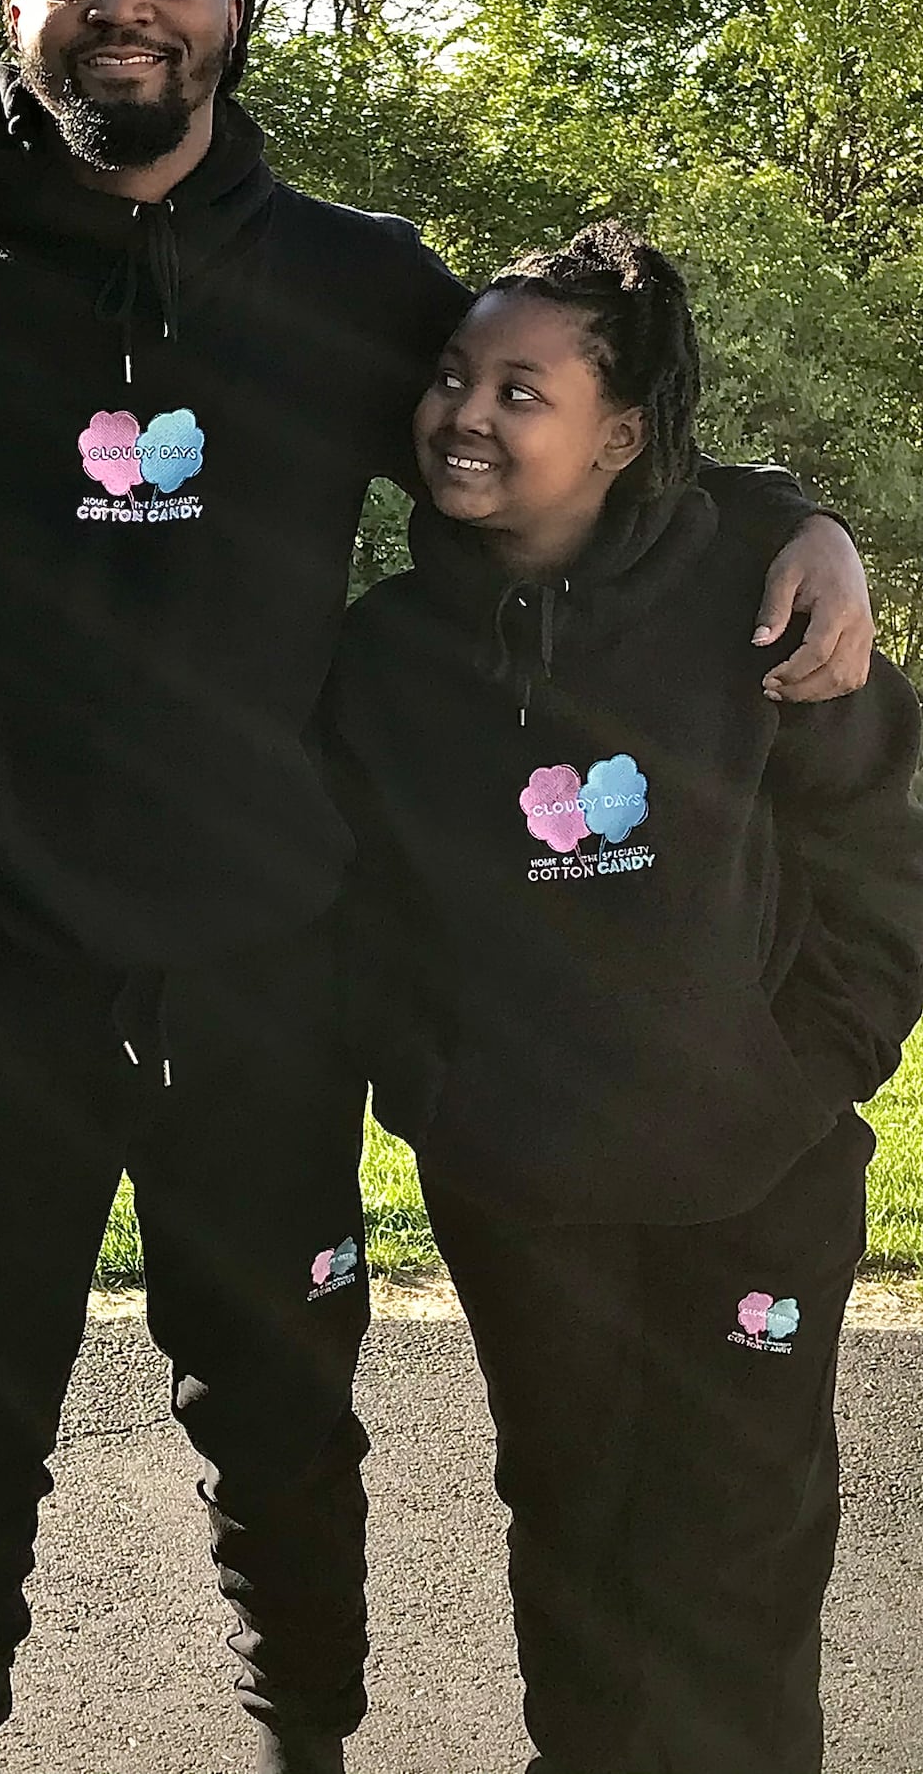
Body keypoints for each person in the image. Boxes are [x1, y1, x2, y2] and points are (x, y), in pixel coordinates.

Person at [0, 0, 875, 1774]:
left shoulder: (351, 284)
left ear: (232, 9)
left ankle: (308, 1754)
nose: (119, 2)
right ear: (9, 6)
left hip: (265, 981)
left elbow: (565, 423)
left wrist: (797, 519)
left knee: (280, 1425)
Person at [329, 222, 923, 1774]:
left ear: (624, 430)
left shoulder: (764, 596)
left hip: (758, 1187)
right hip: (525, 1198)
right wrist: (441, 1098)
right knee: (575, 1540)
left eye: (523, 391)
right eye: (455, 377)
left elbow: (880, 857)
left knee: (739, 1551)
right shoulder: (384, 656)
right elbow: (363, 919)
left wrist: (802, 1076)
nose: (466, 413)